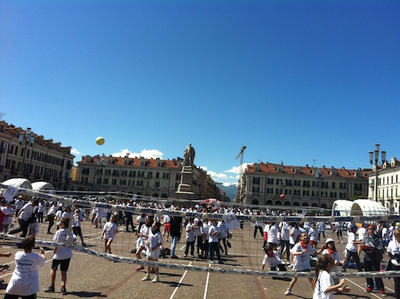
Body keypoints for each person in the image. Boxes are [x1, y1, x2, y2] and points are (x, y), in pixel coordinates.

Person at [44, 217, 74, 295]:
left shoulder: (59, 232)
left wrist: (54, 251)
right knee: (64, 271)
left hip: (59, 254)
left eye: (60, 222)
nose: (59, 223)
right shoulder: (71, 232)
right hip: (67, 254)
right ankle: (63, 287)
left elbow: (56, 244)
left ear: (63, 224)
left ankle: (52, 286)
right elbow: (73, 241)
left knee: (53, 269)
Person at [361, 224, 386, 296]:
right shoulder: (365, 237)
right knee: (367, 273)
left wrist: (374, 247)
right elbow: (362, 245)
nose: (370, 231)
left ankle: (381, 288)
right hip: (367, 257)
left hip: (375, 258)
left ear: (374, 230)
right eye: (369, 229)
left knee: (376, 274)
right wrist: (365, 246)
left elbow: (381, 248)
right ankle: (369, 286)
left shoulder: (377, 238)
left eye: (372, 229)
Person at [386, 228, 400, 298]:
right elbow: (388, 252)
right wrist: (394, 257)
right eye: (398, 236)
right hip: (395, 264)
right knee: (397, 281)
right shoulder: (391, 243)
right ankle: (397, 295)